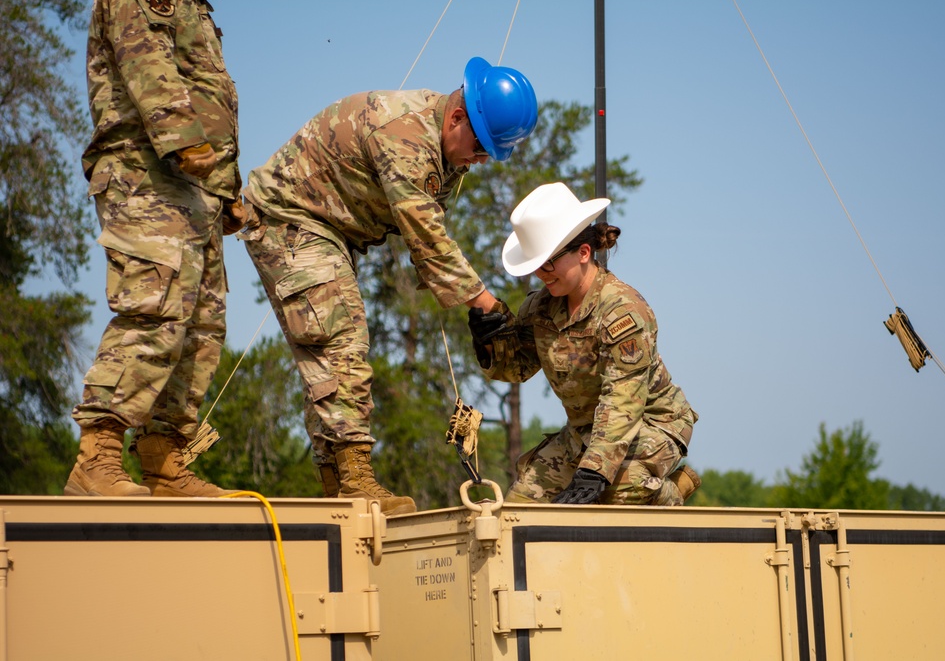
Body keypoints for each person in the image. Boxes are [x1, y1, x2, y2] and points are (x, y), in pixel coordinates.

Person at [239, 57, 538, 515]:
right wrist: (483, 302)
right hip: (292, 216)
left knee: (328, 354)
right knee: (341, 339)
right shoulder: (405, 137)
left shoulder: (447, 143)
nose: (478, 162)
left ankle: (336, 481)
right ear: (457, 117)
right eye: (479, 149)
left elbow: (428, 238)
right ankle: (355, 479)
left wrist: (466, 298)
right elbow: (427, 235)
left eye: (488, 156)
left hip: (329, 229)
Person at [65, 0, 245, 497]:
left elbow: (209, 91)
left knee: (202, 326)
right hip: (144, 170)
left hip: (196, 185)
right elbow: (144, 55)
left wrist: (227, 190)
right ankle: (96, 456)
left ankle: (163, 460)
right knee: (154, 310)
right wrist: (182, 138)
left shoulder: (196, 5)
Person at [468, 182, 701, 505]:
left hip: (650, 423)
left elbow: (622, 402)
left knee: (616, 492)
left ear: (583, 253)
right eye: (535, 264)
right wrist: (489, 340)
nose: (541, 274)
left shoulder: (622, 310)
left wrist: (595, 471)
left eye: (549, 262)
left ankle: (673, 491)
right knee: (519, 509)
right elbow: (517, 368)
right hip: (583, 432)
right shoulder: (539, 308)